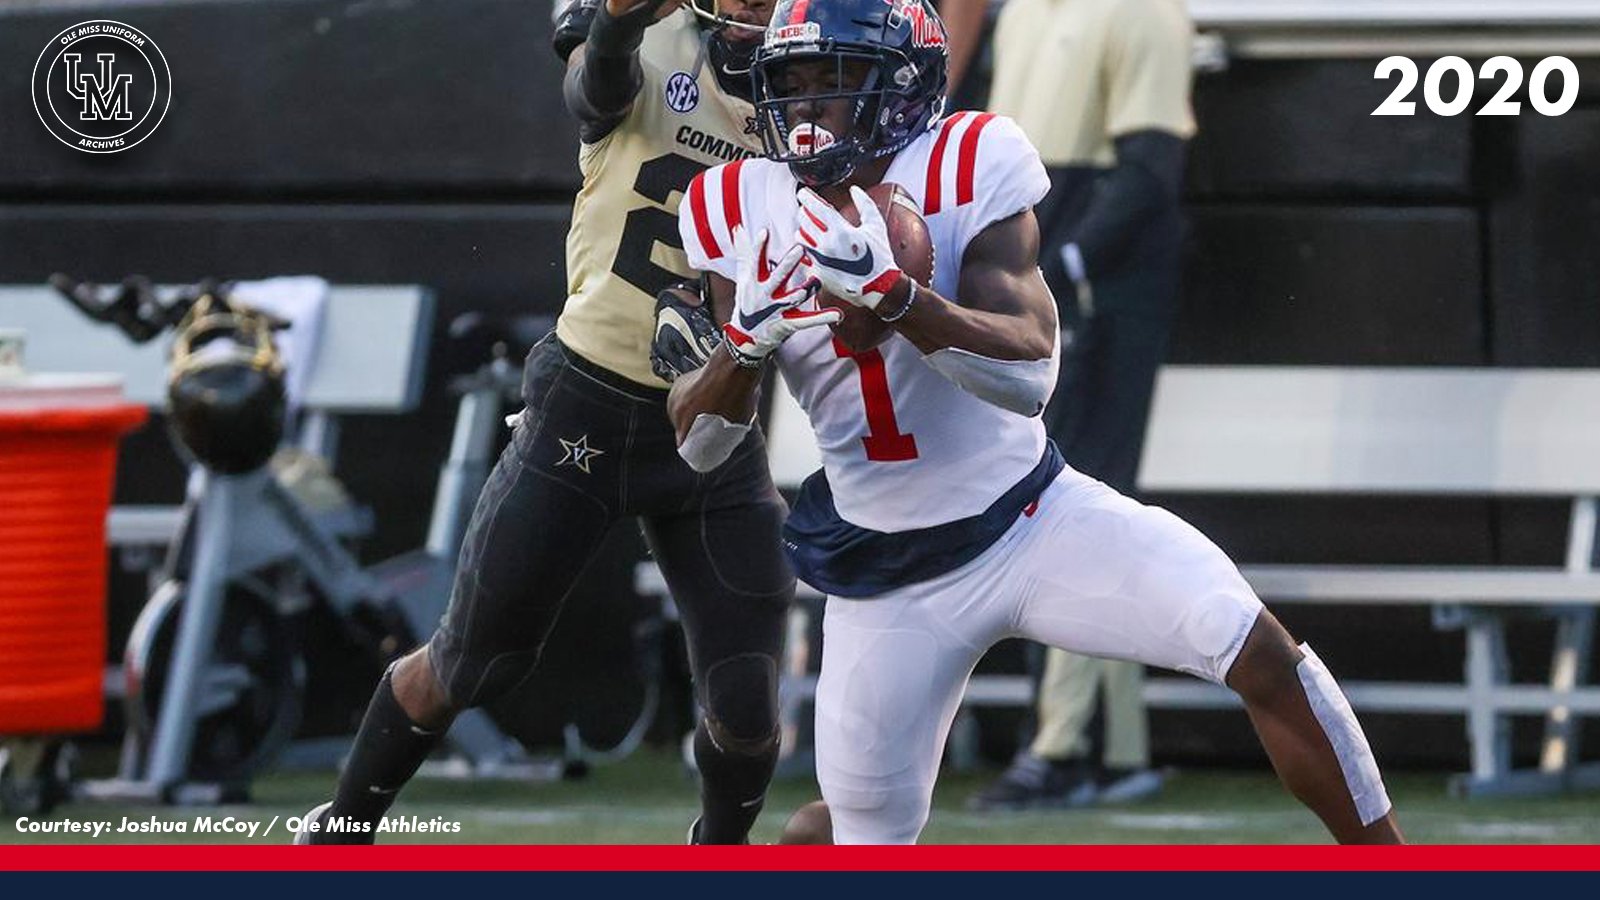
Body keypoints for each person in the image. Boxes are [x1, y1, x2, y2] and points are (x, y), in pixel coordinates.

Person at [663, 0, 1404, 845]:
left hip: (1031, 521)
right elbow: (701, 443)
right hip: (885, 577)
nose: (803, 110)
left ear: (900, 83)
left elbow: (1028, 372)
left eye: (831, 82)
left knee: (1251, 642)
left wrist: (901, 299)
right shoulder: (733, 201)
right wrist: (741, 346)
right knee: (857, 831)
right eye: (788, 83)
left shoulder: (968, 159)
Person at [296, 0, 796, 845]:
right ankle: (340, 830)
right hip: (590, 401)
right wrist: (612, 24)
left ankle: (719, 856)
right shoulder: (648, 41)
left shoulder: (808, 83)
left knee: (747, 703)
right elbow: (595, 93)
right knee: (476, 659)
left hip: (715, 420)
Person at [971, 0, 1197, 811]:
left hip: (1100, 295)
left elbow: (1149, 174)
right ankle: (1114, 748)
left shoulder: (1148, 14)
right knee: (1064, 507)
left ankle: (1062, 745)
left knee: (1075, 505)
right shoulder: (1025, 11)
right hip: (1040, 284)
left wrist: (1064, 265)